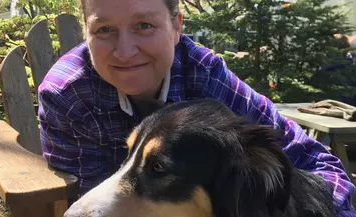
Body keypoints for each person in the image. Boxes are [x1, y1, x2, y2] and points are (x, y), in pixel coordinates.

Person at [37, 0, 356, 215]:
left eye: (144, 25)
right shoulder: (66, 95)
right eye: (104, 29)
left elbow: (318, 162)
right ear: (86, 34)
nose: (125, 51)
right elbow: (94, 201)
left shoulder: (205, 74)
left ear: (177, 27)